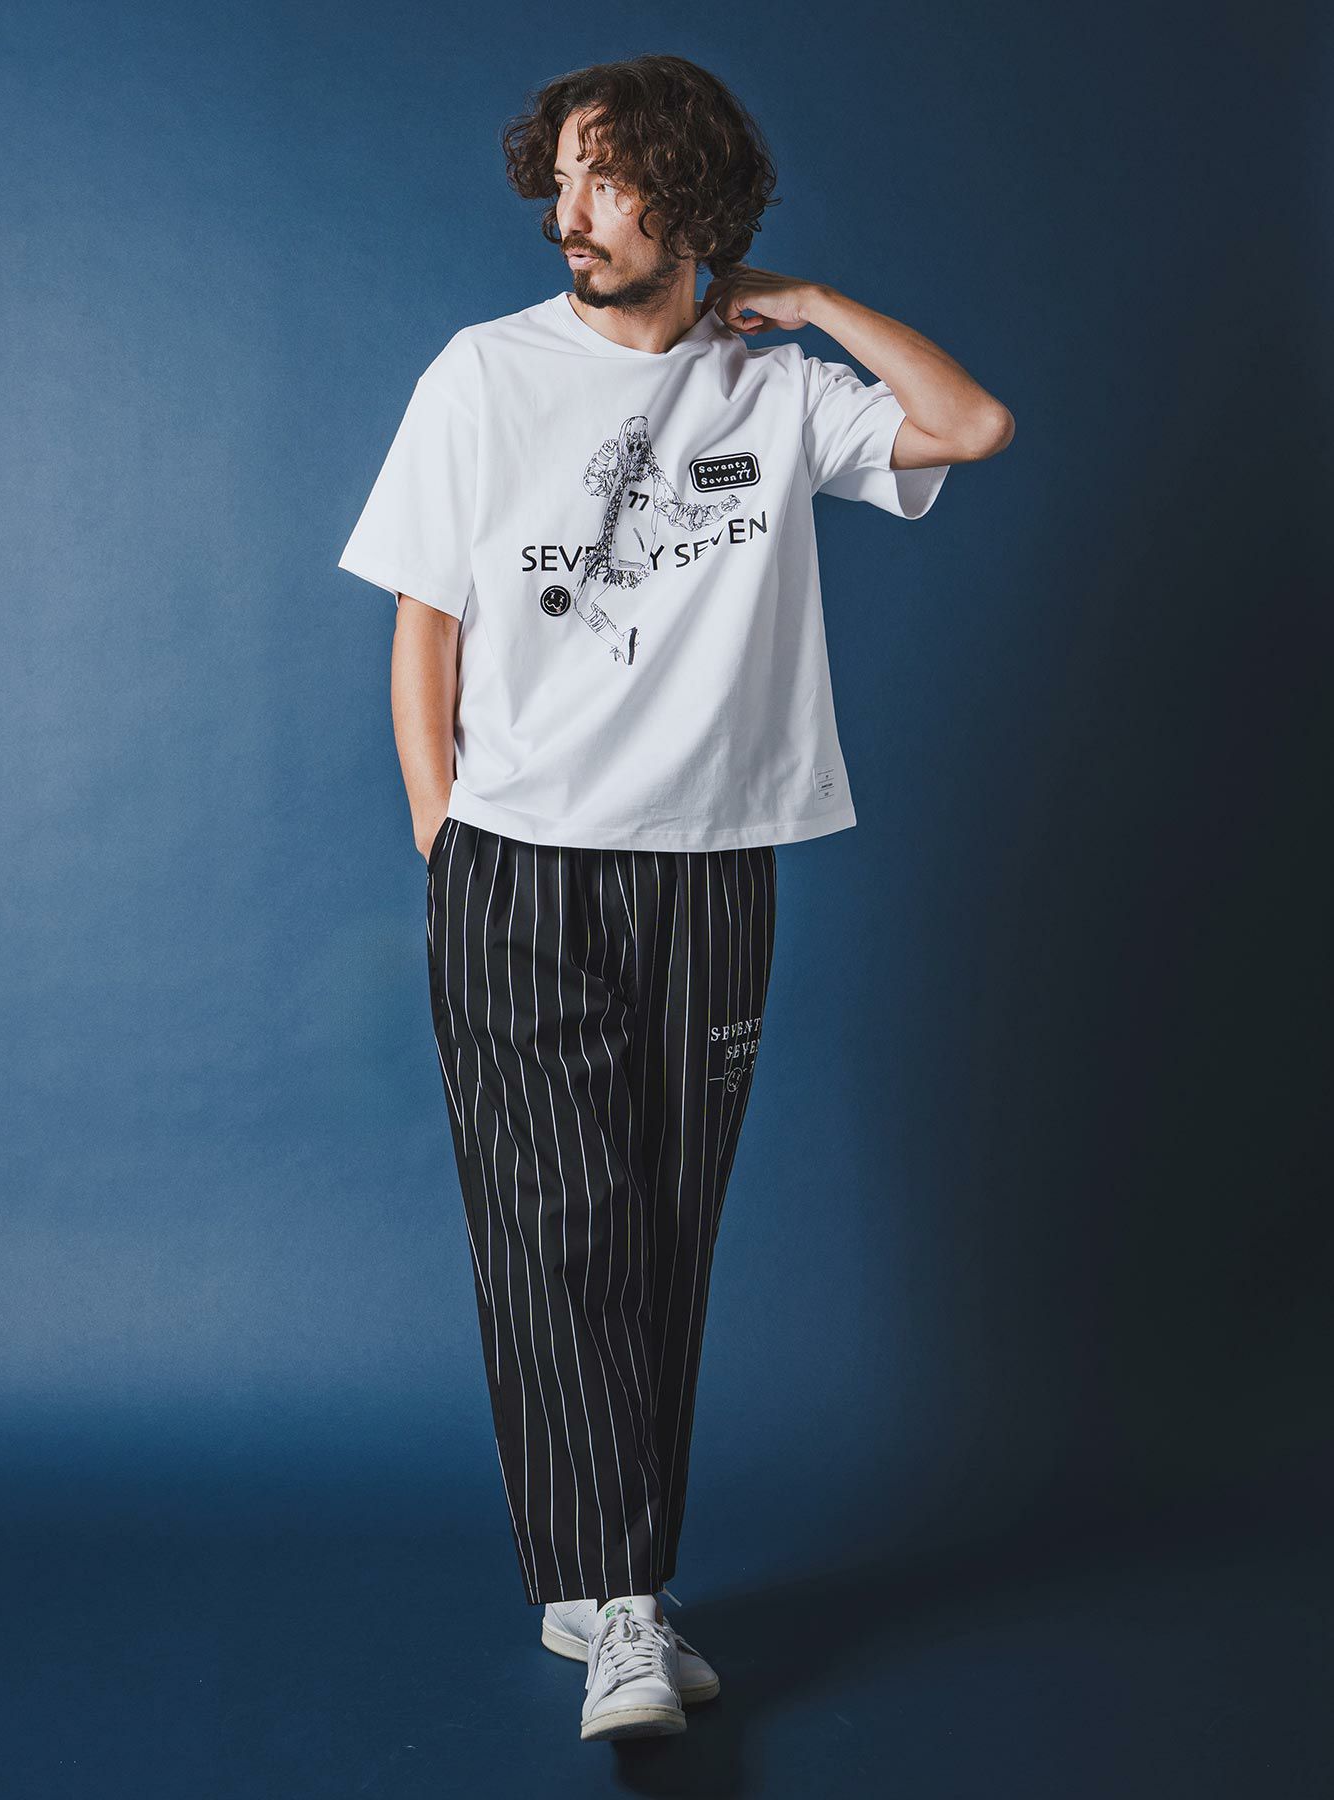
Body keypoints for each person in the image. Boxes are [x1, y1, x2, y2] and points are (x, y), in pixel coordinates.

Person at [336, 53, 1013, 1744]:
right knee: (553, 1225)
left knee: (659, 1231)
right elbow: (426, 617)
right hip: (519, 862)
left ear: (690, 197)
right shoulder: (485, 374)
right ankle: (628, 1605)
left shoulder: (773, 391)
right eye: (561, 176)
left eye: (611, 178)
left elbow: (969, 426)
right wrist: (442, 831)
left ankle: (597, 1576)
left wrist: (811, 303)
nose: (570, 213)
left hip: (713, 867)